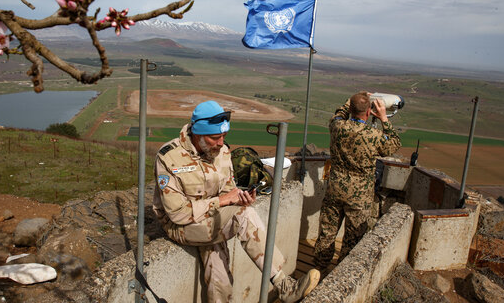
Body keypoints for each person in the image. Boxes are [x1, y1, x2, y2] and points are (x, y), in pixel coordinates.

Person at [153, 100, 320, 303]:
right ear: (198, 135)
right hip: (181, 225)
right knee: (244, 216)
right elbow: (178, 214)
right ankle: (285, 285)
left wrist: (239, 198)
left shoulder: (221, 152)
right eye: (215, 138)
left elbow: (227, 189)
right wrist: (222, 202)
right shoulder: (169, 157)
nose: (221, 143)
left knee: (221, 279)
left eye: (224, 136)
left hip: (210, 218)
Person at [313, 91, 401, 271]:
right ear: (369, 112)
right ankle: (341, 274)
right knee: (353, 238)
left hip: (335, 189)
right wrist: (384, 118)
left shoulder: (337, 127)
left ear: (350, 109)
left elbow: (340, 113)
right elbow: (394, 144)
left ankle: (317, 270)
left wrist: (351, 100)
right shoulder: (373, 135)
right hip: (359, 197)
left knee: (327, 233)